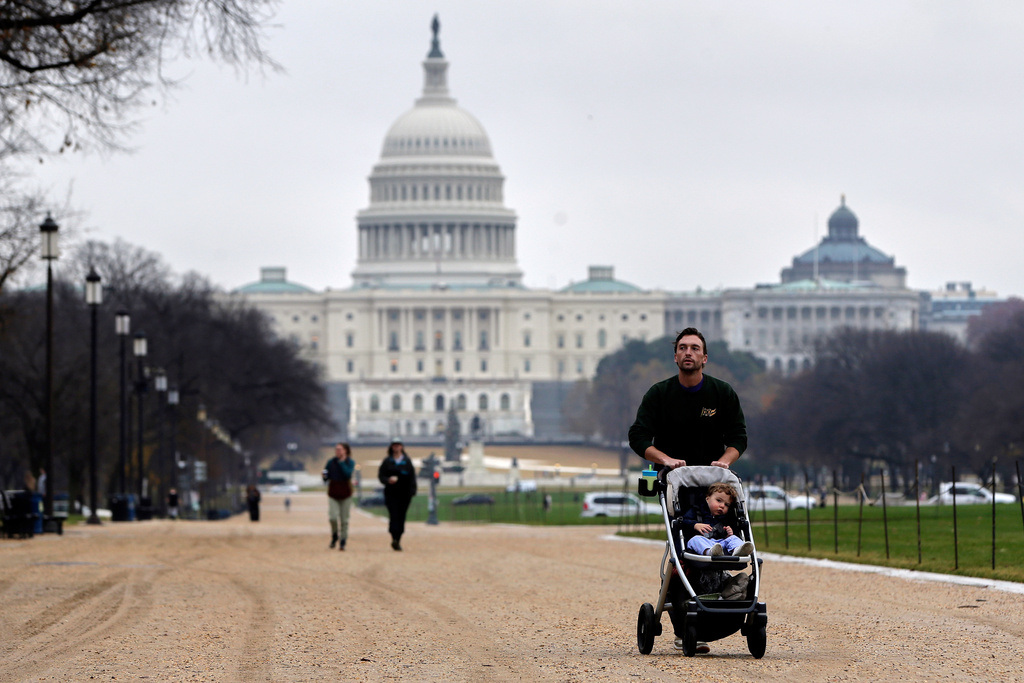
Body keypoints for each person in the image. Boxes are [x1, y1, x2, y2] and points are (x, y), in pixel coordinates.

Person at [628, 327, 748, 655]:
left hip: (715, 484)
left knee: (722, 539)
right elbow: (638, 436)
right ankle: (685, 621)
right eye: (682, 348)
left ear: (704, 358)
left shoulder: (722, 394)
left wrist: (724, 462)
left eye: (695, 348)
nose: (688, 353)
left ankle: (725, 595)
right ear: (676, 356)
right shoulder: (660, 394)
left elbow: (738, 436)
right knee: (684, 549)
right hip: (677, 485)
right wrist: (665, 460)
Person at [682, 483, 753, 558]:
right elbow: (683, 522)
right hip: (702, 542)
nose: (722, 506)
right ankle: (710, 552)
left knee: (733, 538)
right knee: (695, 540)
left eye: (726, 505)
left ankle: (737, 550)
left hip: (720, 545)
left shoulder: (726, 519)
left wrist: (728, 534)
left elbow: (727, 538)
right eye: (719, 500)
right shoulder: (696, 511)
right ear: (707, 499)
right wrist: (694, 525)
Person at [377, 437, 417, 551]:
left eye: (398, 445)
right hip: (391, 493)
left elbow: (412, 477)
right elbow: (381, 475)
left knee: (401, 516)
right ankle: (394, 536)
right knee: (393, 515)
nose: (396, 447)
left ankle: (398, 538)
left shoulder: (407, 461)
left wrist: (413, 490)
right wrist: (387, 480)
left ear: (402, 447)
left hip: (404, 493)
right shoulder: (387, 461)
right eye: (394, 445)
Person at [322, 442, 356, 550]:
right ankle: (335, 534)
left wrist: (342, 463)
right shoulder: (331, 462)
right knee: (332, 517)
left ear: (345, 450)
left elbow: (348, 474)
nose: (337, 451)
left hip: (346, 493)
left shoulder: (350, 462)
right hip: (333, 493)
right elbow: (325, 472)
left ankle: (343, 540)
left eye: (340, 449)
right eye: (336, 449)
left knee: (344, 520)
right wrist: (324, 476)